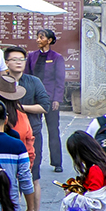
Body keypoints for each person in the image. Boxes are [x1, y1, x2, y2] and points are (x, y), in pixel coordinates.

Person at [26, 29, 67, 174]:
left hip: (50, 98)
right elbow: (27, 76)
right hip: (34, 99)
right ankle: (34, 159)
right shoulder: (31, 56)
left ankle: (57, 162)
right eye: (37, 37)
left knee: (53, 130)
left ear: (49, 40)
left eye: (41, 37)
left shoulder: (57, 58)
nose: (38, 40)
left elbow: (60, 80)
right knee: (33, 130)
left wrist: (57, 99)